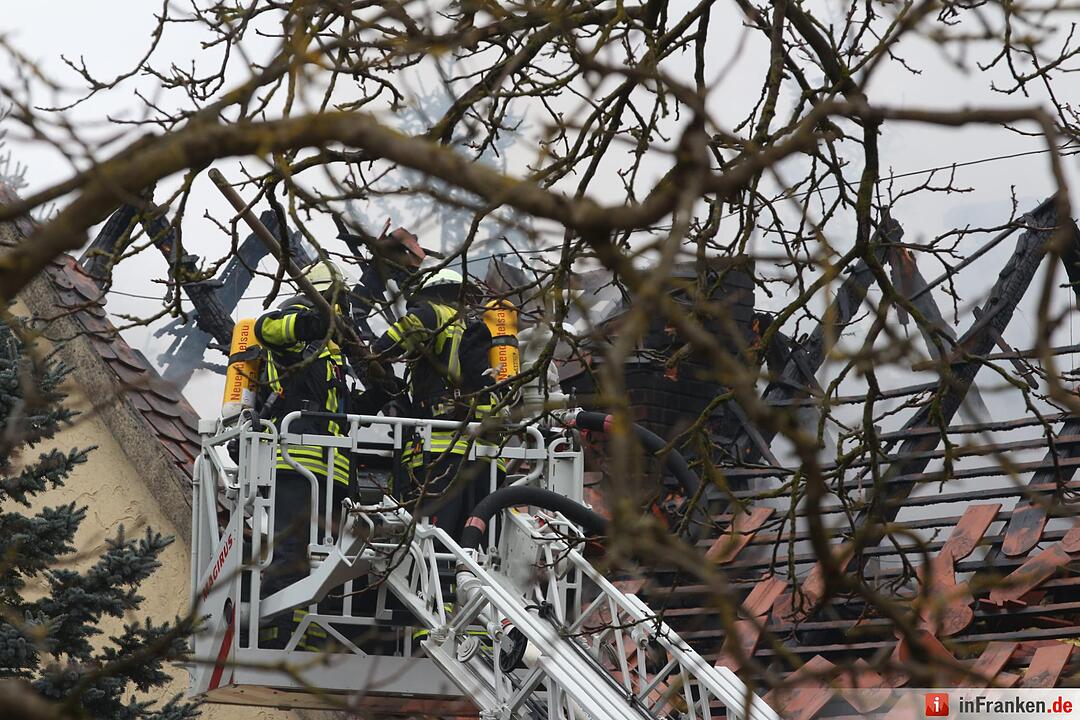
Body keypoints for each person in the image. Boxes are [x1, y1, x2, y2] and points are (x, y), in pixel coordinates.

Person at [254, 259, 354, 651]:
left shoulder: (337, 350)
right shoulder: (296, 322)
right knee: (292, 547)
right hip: (295, 460)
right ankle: (276, 627)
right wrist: (309, 321)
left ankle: (309, 631)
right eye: (339, 299)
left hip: (334, 465)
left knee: (328, 558)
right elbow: (265, 328)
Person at [371, 267, 505, 541]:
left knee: (437, 542)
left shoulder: (432, 314)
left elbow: (385, 347)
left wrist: (372, 359)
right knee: (476, 542)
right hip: (488, 456)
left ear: (431, 294)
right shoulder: (477, 328)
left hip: (442, 451)